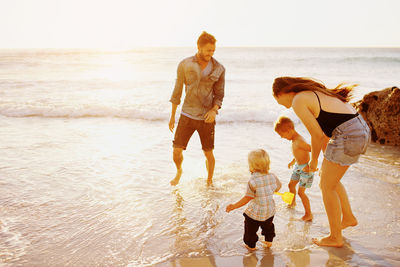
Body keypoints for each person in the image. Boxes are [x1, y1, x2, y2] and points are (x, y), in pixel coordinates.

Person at [272, 77, 370, 247]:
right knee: (330, 180)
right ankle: (348, 217)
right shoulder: (313, 94)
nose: (282, 106)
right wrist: (324, 158)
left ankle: (335, 237)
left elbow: (316, 135)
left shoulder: (298, 100)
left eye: (279, 101)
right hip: (360, 131)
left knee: (326, 187)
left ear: (282, 93)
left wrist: (314, 161)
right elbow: (326, 131)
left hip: (349, 135)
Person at [169, 31, 225, 186]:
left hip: (206, 118)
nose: (211, 53)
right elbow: (177, 91)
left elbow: (219, 94)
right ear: (199, 47)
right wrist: (173, 116)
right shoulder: (185, 64)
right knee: (176, 151)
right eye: (208, 50)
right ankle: (179, 170)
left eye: (213, 50)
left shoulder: (219, 69)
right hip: (187, 115)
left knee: (208, 153)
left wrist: (214, 110)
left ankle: (209, 181)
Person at [226, 149, 282, 250]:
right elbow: (278, 187)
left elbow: (247, 198)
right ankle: (268, 242)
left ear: (252, 166)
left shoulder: (252, 181)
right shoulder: (272, 176)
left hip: (255, 214)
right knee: (268, 227)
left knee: (250, 230)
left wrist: (234, 206)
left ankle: (251, 246)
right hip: (269, 211)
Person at [274, 116, 313, 221]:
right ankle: (292, 202)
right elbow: (298, 153)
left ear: (289, 130)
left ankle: (308, 214)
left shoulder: (300, 141)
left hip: (306, 169)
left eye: (282, 135)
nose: (282, 137)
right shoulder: (294, 140)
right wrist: (293, 161)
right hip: (298, 167)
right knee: (291, 185)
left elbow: (313, 149)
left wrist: (312, 164)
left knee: (301, 192)